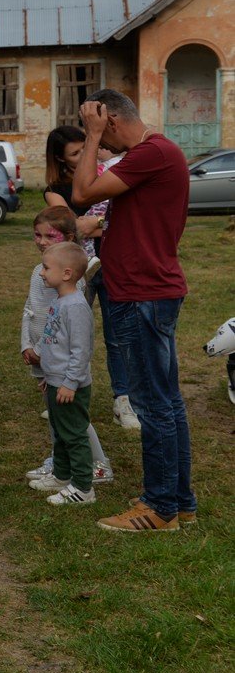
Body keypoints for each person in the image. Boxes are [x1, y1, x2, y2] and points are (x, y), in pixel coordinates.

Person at [72, 90, 195, 533]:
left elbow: (82, 192)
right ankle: (178, 500)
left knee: (152, 405)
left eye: (100, 130)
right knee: (166, 401)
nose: (101, 144)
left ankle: (160, 508)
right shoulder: (154, 154)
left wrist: (91, 136)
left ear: (111, 120)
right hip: (147, 291)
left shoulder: (151, 152)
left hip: (143, 294)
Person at [42, 126, 137, 429]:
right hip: (74, 273)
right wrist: (102, 222)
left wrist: (94, 222)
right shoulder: (55, 189)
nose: (85, 155)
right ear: (60, 158)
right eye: (75, 153)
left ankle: (123, 401)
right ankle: (61, 393)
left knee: (117, 336)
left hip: (111, 265)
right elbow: (72, 228)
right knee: (66, 334)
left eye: (86, 147)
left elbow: (121, 221)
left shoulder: (106, 175)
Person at [20, 207, 113, 490]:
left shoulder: (68, 283)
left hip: (59, 361)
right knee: (57, 416)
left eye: (50, 236)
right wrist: (27, 344)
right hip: (48, 360)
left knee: (72, 419)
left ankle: (97, 465)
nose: (42, 241)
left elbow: (62, 327)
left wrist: (40, 350)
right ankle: (60, 464)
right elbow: (30, 310)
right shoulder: (43, 271)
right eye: (37, 235)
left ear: (70, 237)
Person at [28, 241, 98, 506]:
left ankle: (83, 488)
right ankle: (61, 475)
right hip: (57, 382)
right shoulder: (60, 301)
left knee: (74, 435)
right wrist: (49, 375)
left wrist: (69, 382)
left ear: (67, 273)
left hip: (71, 386)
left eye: (46, 268)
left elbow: (81, 351)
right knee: (60, 431)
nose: (41, 273)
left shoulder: (76, 306)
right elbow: (53, 339)